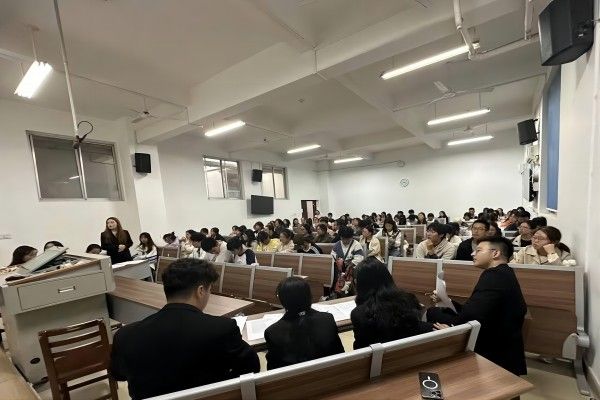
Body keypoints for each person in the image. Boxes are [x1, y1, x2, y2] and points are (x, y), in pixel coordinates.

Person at [110, 258, 259, 399]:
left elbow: (118, 374)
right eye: (209, 290)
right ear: (201, 291)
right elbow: (252, 365)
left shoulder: (125, 335)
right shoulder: (221, 328)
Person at [427, 237, 527, 376]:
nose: (472, 254)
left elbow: (473, 314)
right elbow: (477, 308)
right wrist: (446, 300)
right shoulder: (505, 272)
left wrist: (453, 330)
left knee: (432, 315)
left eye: (479, 250)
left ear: (495, 253)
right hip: (499, 336)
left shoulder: (493, 276)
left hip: (491, 342)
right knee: (436, 311)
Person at [264, 277, 344, 369]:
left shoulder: (272, 332)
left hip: (295, 378)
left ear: (282, 301)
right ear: (310, 296)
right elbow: (340, 353)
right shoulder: (327, 319)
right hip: (332, 374)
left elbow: (273, 369)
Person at [351, 259, 432, 349]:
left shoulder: (360, 314)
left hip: (380, 357)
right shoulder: (409, 300)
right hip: (412, 353)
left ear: (360, 284)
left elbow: (361, 350)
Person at [330, 226, 364, 298]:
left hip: (352, 269)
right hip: (339, 269)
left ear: (351, 237)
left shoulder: (356, 245)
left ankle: (352, 293)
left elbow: (359, 258)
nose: (345, 241)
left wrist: (350, 264)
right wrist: (339, 261)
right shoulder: (337, 244)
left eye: (347, 239)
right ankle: (337, 292)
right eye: (343, 239)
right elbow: (332, 255)